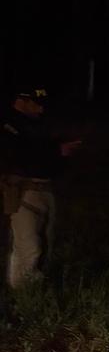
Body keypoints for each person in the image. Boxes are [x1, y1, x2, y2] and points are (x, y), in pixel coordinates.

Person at [1, 85, 80, 287]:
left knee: (44, 245)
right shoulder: (9, 126)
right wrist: (56, 150)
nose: (41, 109)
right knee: (29, 247)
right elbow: (21, 156)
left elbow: (49, 161)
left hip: (44, 190)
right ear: (21, 101)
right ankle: (22, 296)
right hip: (22, 192)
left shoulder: (37, 126)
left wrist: (61, 154)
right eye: (36, 104)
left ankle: (34, 292)